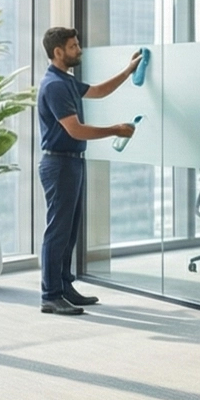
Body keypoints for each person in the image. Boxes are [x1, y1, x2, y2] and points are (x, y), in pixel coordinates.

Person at [37, 28, 140, 316]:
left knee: (69, 231)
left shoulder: (66, 81)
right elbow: (75, 129)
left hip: (71, 161)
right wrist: (115, 130)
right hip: (58, 164)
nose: (79, 50)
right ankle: (50, 295)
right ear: (58, 52)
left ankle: (64, 287)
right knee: (58, 231)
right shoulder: (54, 86)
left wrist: (128, 71)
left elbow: (98, 91)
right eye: (73, 46)